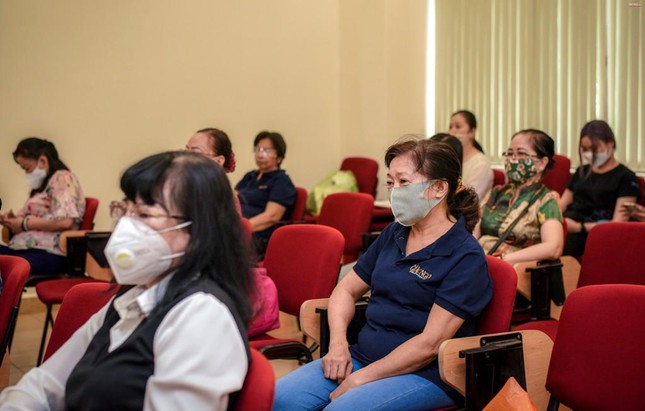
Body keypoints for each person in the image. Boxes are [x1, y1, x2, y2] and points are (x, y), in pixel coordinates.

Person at [0, 151, 254, 410]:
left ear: (197, 231)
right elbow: (46, 384)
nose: (126, 226)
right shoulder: (132, 296)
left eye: (144, 214)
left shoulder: (202, 317)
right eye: (126, 209)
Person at [274, 138, 492, 411]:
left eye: (404, 182)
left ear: (439, 188)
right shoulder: (395, 232)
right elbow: (346, 290)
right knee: (278, 398)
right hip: (363, 356)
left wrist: (360, 379)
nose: (394, 191)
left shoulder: (465, 256)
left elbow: (430, 344)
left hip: (426, 373)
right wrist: (338, 345)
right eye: (390, 182)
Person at [476, 129, 564, 265]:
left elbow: (553, 248)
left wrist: (503, 260)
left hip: (511, 267)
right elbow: (473, 230)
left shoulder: (547, 199)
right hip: (477, 260)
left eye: (521, 153)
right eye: (510, 153)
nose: (513, 159)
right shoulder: (497, 192)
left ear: (541, 163)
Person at [0, 137, 85, 276]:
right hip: (24, 249)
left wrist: (25, 224)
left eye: (27, 168)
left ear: (43, 161)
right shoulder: (41, 188)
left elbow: (66, 221)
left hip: (49, 253)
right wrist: (12, 220)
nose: (26, 174)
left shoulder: (62, 178)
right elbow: (28, 217)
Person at [560, 120, 640, 256]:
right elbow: (561, 206)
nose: (589, 153)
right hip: (568, 225)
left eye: (595, 148)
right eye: (585, 149)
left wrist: (580, 227)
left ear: (610, 144)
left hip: (596, 233)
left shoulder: (626, 177)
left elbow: (618, 224)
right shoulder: (581, 171)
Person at [235, 131, 296, 258]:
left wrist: (240, 229)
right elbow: (232, 200)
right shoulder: (250, 176)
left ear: (279, 157)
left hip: (258, 237)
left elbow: (271, 216)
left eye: (267, 151)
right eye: (258, 149)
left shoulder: (282, 181)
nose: (260, 154)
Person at [448, 110, 493, 201]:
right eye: (450, 127)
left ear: (472, 132)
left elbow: (468, 200)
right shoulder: (451, 159)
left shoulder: (481, 164)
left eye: (458, 127)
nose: (451, 131)